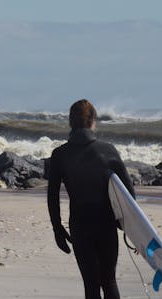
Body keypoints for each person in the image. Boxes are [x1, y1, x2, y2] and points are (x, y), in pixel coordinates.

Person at [47, 99, 135, 299]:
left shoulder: (60, 154)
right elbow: (129, 194)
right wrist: (129, 226)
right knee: (109, 281)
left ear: (70, 122)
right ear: (93, 122)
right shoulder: (108, 150)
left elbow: (52, 196)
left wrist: (57, 229)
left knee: (91, 284)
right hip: (106, 224)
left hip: (79, 225)